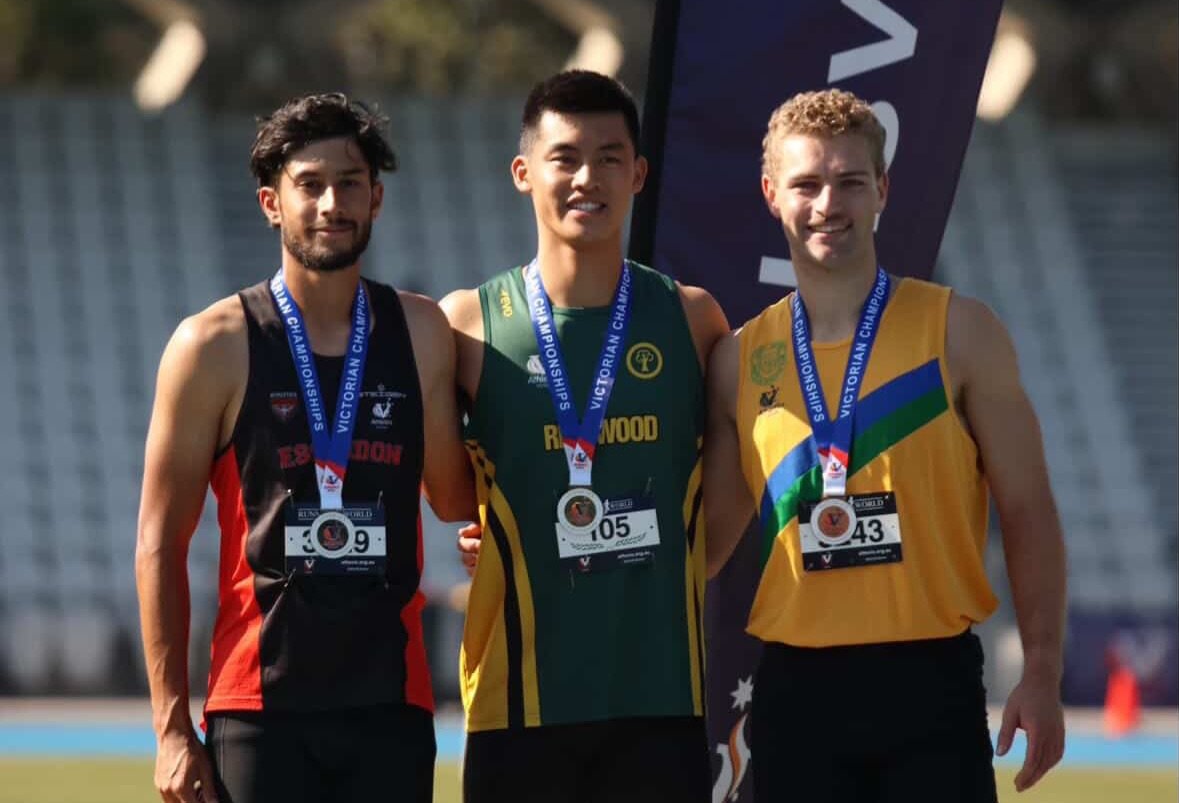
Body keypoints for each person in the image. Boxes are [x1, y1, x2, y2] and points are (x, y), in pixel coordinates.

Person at [703, 88, 1067, 802]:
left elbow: (1028, 510)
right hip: (796, 696)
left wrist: (1043, 669)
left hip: (929, 687)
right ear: (771, 193)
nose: (827, 204)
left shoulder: (961, 331)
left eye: (849, 181)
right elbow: (704, 548)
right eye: (806, 184)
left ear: (882, 191)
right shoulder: (738, 360)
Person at [135, 93, 475, 803]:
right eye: (310, 184)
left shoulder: (420, 331)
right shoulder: (211, 345)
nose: (331, 203)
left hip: (391, 704)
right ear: (271, 202)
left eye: (349, 183)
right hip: (259, 706)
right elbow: (160, 542)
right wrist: (169, 728)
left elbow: (452, 497)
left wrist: (491, 517)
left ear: (376, 197)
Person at [441, 70, 729, 803]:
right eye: (564, 157)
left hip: (659, 701)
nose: (586, 178)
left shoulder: (693, 320)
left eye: (608, 158)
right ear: (523, 172)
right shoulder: (467, 325)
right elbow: (449, 494)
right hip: (516, 704)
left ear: (638, 174)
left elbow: (725, 508)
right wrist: (492, 536)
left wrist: (667, 564)